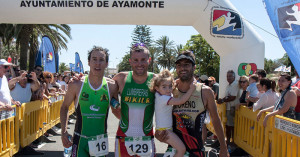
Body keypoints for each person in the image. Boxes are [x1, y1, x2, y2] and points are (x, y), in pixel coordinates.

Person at [156, 51, 229, 157]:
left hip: (196, 150)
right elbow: (159, 113)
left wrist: (223, 147)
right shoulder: (170, 89)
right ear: (176, 68)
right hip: (175, 151)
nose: (182, 68)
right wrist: (159, 135)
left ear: (194, 67)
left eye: (186, 65)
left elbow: (216, 120)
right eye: (179, 65)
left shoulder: (205, 91)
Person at [60, 46, 118, 157]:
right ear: (88, 62)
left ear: (106, 63)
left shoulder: (112, 86)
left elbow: (118, 109)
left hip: (100, 142)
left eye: (101, 60)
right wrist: (63, 132)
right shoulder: (76, 84)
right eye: (94, 59)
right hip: (80, 140)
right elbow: (64, 107)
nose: (97, 63)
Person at [112, 43, 156, 157]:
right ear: (130, 61)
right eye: (135, 60)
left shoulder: (156, 80)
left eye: (143, 60)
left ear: (149, 60)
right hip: (123, 136)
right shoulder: (121, 78)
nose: (139, 64)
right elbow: (105, 91)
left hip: (147, 136)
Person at [149, 69, 196, 157]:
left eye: (170, 86)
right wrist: (191, 89)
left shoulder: (158, 94)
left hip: (163, 129)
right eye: (164, 87)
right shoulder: (164, 99)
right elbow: (181, 100)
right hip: (165, 131)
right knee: (181, 149)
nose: (168, 90)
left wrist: (174, 82)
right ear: (156, 88)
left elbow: (166, 87)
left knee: (175, 150)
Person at [217, 70, 239, 146]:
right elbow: (228, 96)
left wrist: (222, 100)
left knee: (231, 125)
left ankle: (232, 141)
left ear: (234, 77)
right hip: (228, 108)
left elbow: (233, 97)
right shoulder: (229, 85)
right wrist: (222, 99)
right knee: (228, 125)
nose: (228, 78)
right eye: (227, 76)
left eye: (230, 76)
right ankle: (228, 140)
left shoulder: (235, 84)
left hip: (232, 108)